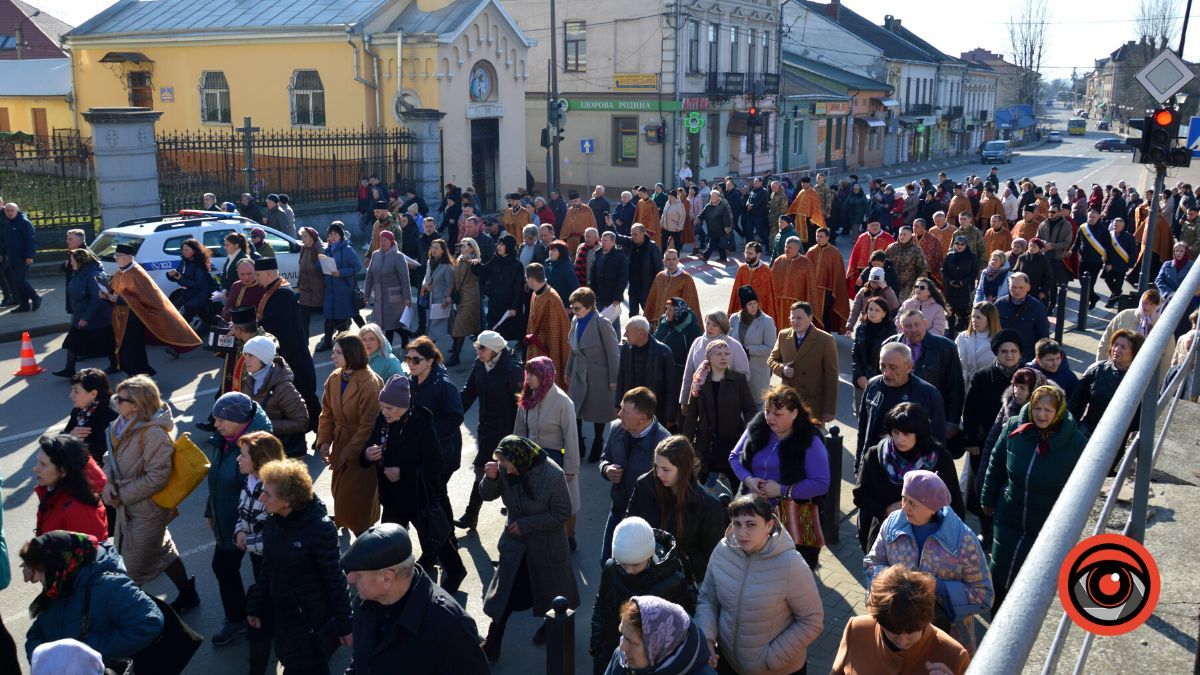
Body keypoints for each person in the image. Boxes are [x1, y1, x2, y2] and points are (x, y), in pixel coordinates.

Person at [864, 471, 993, 653]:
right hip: (894, 632)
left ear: (933, 507)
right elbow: (871, 564)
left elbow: (983, 595)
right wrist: (894, 581)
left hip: (945, 637)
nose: (904, 508)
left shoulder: (963, 539)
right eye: (904, 499)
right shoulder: (892, 523)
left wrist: (937, 586)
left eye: (913, 503)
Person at [982, 385, 1087, 609]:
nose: (1041, 415)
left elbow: (1082, 488)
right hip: (1009, 513)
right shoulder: (1014, 427)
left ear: (1058, 411)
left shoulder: (1076, 443)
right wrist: (987, 498)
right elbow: (996, 464)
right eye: (1038, 408)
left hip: (1045, 523)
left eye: (1048, 410)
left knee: (1028, 582)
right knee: (998, 575)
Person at [694, 495, 823, 675]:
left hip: (776, 670)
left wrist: (770, 659)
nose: (742, 532)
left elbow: (812, 620)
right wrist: (707, 637)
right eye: (737, 524)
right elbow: (708, 599)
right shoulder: (722, 551)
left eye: (751, 524)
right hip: (728, 664)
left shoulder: (791, 564)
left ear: (769, 526)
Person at [479, 436, 580, 662]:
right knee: (505, 594)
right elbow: (486, 495)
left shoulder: (552, 474)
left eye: (508, 466)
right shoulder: (506, 468)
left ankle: (552, 625)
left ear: (521, 459)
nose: (508, 471)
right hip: (515, 547)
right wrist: (491, 477)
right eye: (503, 466)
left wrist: (526, 525)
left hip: (546, 546)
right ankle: (493, 642)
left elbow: (562, 512)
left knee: (551, 592)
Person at [102, 375, 199, 609]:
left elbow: (157, 478)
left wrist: (121, 494)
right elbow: (109, 457)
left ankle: (143, 622)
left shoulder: (154, 434)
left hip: (149, 508)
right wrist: (108, 482)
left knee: (130, 572)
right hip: (129, 506)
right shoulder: (121, 423)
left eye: (121, 398)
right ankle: (188, 593)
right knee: (162, 550)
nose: (116, 400)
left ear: (137, 404)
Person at [363, 374, 467, 592]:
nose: (385, 412)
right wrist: (367, 455)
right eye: (383, 407)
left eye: (390, 408)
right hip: (391, 495)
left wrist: (403, 472)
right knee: (391, 538)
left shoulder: (421, 423)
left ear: (404, 406)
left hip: (418, 494)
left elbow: (435, 464)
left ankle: (456, 570)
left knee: (434, 535)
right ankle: (398, 579)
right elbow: (369, 449)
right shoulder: (382, 421)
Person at [247, 458, 353, 672]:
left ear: (287, 501)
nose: (261, 498)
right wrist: (256, 605)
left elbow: (335, 578)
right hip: (283, 616)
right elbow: (268, 567)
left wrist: (344, 624)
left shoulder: (319, 529)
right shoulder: (273, 523)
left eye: (267, 494)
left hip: (310, 623)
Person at [340, 524, 487, 674]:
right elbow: (361, 660)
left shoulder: (449, 626)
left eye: (358, 574)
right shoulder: (364, 603)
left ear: (387, 579)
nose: (350, 579)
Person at [728, 385, 831, 570]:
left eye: (777, 413)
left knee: (787, 570)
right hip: (751, 509)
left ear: (794, 413)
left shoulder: (809, 440)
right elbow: (734, 457)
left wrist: (783, 490)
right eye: (767, 411)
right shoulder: (758, 426)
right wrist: (748, 480)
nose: (769, 418)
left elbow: (821, 483)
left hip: (792, 517)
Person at [20, 531, 163, 662]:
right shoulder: (59, 585)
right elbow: (36, 633)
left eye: (39, 574)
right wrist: (42, 657)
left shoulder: (108, 586)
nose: (33, 580)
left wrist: (86, 653)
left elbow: (150, 622)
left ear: (57, 566)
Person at [206, 392, 273, 646]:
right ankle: (237, 619)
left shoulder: (259, 447)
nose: (216, 425)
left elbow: (265, 495)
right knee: (223, 567)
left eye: (221, 420)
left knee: (263, 577)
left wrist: (248, 531)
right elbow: (216, 478)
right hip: (230, 523)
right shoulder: (224, 439)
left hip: (255, 527)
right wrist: (210, 511)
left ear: (239, 420)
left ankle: (266, 621)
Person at [854, 402, 965, 553]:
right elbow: (861, 497)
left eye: (906, 434)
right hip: (885, 538)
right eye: (896, 432)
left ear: (919, 434)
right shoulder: (875, 455)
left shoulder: (939, 459)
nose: (899, 439)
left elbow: (954, 504)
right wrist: (886, 509)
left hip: (927, 541)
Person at [590, 517, 693, 675]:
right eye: (624, 563)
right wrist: (597, 648)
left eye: (636, 564)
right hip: (611, 656)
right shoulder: (611, 568)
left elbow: (684, 628)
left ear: (650, 554)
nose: (629, 571)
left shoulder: (673, 582)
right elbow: (601, 607)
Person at [626, 435, 727, 587]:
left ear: (684, 469)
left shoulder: (708, 506)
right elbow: (629, 524)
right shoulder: (644, 486)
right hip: (643, 573)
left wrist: (677, 566)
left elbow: (711, 555)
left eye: (666, 469)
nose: (658, 474)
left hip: (680, 582)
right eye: (656, 467)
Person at [831, 565, 971, 674]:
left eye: (912, 633)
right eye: (893, 632)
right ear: (877, 619)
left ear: (926, 619)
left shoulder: (954, 657)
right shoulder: (857, 629)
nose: (902, 642)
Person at [316, 333, 384, 535]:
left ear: (352, 355)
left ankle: (363, 536)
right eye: (333, 352)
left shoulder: (370, 384)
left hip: (361, 449)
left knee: (355, 495)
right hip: (340, 441)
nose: (332, 356)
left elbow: (367, 427)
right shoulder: (335, 378)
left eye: (338, 353)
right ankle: (344, 520)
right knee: (339, 490)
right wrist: (325, 441)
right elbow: (326, 413)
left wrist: (346, 454)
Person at [458, 331, 524, 530]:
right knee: (483, 469)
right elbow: (468, 393)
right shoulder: (480, 364)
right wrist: (453, 415)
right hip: (486, 429)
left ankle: (515, 520)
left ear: (494, 350)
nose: (478, 351)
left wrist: (519, 435)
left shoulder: (512, 370)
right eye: (477, 347)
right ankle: (472, 516)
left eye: (482, 348)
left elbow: (521, 405)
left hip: (508, 433)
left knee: (506, 473)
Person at [104, 243, 202, 376]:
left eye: (118, 256)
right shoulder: (121, 271)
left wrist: (119, 299)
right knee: (126, 349)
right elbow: (115, 289)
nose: (116, 258)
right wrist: (106, 294)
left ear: (128, 257)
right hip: (122, 318)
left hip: (135, 319)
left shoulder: (137, 273)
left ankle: (139, 376)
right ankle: (138, 374)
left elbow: (143, 298)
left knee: (132, 350)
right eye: (115, 255)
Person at [231, 431, 284, 673]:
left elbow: (276, 536)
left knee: (276, 597)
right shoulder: (250, 480)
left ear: (260, 460)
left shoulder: (276, 490)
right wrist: (239, 531)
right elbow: (243, 512)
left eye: (243, 456)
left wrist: (246, 542)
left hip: (273, 559)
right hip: (256, 554)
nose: (238, 460)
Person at [600, 387, 672, 563]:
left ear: (643, 418)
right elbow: (604, 458)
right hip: (617, 510)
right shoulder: (617, 428)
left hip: (646, 521)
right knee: (607, 563)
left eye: (625, 411)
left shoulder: (663, 444)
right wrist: (606, 469)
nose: (619, 415)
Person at [405, 336, 466, 526]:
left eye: (416, 360)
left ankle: (445, 539)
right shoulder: (411, 381)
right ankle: (445, 538)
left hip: (443, 451)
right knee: (435, 494)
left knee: (435, 495)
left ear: (430, 361)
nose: (411, 364)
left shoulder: (443, 385)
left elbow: (455, 417)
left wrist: (428, 432)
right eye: (408, 359)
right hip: (422, 450)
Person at [682, 339, 758, 489]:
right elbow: (691, 414)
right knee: (702, 488)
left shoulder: (739, 379)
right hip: (707, 444)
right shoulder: (700, 381)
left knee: (737, 488)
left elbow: (749, 408)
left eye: (726, 354)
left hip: (733, 442)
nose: (724, 357)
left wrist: (752, 433)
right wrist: (686, 442)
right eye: (718, 354)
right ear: (709, 357)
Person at [568, 286, 621, 462]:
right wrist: (568, 370)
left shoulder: (602, 323)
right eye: (572, 307)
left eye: (577, 308)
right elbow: (573, 350)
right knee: (575, 410)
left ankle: (598, 441)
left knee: (598, 411)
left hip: (598, 374)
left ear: (589, 306)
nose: (573, 311)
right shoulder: (576, 321)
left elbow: (613, 352)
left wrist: (614, 379)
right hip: (578, 370)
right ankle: (580, 442)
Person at [602, 596, 716, 675]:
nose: (622, 647)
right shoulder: (622, 657)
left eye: (631, 641)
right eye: (622, 634)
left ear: (657, 646)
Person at [769, 301, 839, 426]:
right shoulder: (783, 335)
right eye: (792, 318)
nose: (795, 321)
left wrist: (829, 409)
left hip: (812, 403)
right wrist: (782, 370)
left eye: (799, 318)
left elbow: (832, 376)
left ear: (810, 318)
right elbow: (772, 360)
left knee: (810, 441)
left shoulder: (825, 340)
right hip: (788, 401)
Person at [1071, 328, 1145, 438]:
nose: (1116, 349)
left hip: (1118, 438)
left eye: (1123, 347)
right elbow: (1076, 403)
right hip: (1089, 431)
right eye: (1115, 345)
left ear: (1135, 352)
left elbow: (1140, 419)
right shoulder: (1097, 369)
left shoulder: (1142, 380)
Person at [34, 434, 108, 540]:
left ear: (63, 470)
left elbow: (88, 554)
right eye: (38, 462)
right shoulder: (53, 495)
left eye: (43, 464)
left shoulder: (80, 511)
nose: (36, 469)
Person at [56, 249, 115, 376]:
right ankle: (69, 369)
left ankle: (115, 365)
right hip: (81, 316)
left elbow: (97, 299)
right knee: (72, 344)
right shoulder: (79, 272)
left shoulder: (93, 275)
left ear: (81, 261)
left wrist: (86, 318)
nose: (71, 263)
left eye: (73, 260)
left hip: (98, 319)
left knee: (107, 344)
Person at [1097, 288, 1174, 381]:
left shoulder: (1164, 326)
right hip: (1115, 371)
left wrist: (1160, 382)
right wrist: (1100, 367)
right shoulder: (1124, 315)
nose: (1147, 307)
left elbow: (1167, 357)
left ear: (1158, 306)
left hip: (1144, 377)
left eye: (1152, 304)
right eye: (1145, 303)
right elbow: (1105, 342)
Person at [678, 311, 751, 408]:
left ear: (722, 327)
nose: (709, 327)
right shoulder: (697, 342)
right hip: (699, 401)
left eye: (714, 325)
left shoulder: (734, 345)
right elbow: (688, 373)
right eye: (707, 323)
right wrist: (684, 400)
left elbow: (745, 376)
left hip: (726, 403)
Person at [316, 222, 363, 352]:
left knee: (352, 315)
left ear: (341, 236)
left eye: (335, 234)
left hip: (345, 290)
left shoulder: (347, 249)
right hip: (331, 291)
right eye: (330, 234)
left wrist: (341, 272)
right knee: (329, 317)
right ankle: (327, 342)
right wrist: (320, 261)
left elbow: (357, 267)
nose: (332, 236)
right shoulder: (327, 250)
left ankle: (367, 335)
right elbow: (320, 268)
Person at [474, 233, 528, 342]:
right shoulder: (496, 259)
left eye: (502, 245)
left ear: (508, 246)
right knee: (493, 332)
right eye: (498, 244)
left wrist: (514, 307)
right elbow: (483, 271)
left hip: (508, 306)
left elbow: (518, 289)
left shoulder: (517, 265)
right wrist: (475, 264)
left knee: (508, 334)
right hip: (495, 303)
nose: (498, 247)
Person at [524, 262, 572, 384]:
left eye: (526, 278)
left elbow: (555, 335)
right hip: (536, 347)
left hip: (547, 351)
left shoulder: (551, 298)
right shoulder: (535, 293)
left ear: (531, 279)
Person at [364, 229, 413, 345]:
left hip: (394, 298)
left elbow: (405, 280)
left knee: (389, 325)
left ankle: (387, 350)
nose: (383, 242)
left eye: (385, 240)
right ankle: (404, 335)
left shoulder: (398, 257)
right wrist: (366, 295)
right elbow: (369, 276)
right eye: (381, 240)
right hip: (379, 296)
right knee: (387, 324)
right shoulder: (375, 255)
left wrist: (407, 298)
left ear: (391, 241)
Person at [728, 286, 777, 399]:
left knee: (757, 407)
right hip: (738, 372)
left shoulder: (767, 321)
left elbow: (771, 347)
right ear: (744, 306)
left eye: (755, 302)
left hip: (758, 373)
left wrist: (749, 349)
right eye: (750, 304)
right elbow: (729, 341)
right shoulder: (734, 319)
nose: (754, 306)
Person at [851, 297, 898, 414]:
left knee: (878, 414)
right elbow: (855, 354)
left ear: (884, 313)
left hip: (881, 379)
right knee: (860, 412)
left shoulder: (891, 331)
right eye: (870, 309)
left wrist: (878, 378)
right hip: (861, 379)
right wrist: (859, 376)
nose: (872, 312)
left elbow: (891, 358)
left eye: (877, 310)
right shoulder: (861, 328)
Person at [64, 368, 118, 468]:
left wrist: (73, 443)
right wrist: (70, 437)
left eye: (76, 391)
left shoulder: (110, 416)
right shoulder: (78, 412)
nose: (70, 396)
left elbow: (104, 455)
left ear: (93, 394)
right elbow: (63, 437)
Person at [994, 273, 1050, 361]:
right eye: (1014, 287)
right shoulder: (999, 304)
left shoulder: (1037, 307)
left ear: (1028, 288)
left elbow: (1043, 335)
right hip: (1004, 356)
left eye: (1021, 288)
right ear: (1009, 286)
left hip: (1027, 357)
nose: (1017, 291)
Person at [644, 248, 703, 330]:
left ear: (678, 261)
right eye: (668, 259)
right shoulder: (660, 276)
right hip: (658, 321)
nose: (671, 261)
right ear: (664, 261)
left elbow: (691, 302)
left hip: (676, 323)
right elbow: (652, 299)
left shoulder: (686, 278)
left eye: (674, 259)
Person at [447, 237, 483, 366]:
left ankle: (456, 357)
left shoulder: (473, 261)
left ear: (472, 247)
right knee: (473, 326)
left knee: (459, 326)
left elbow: (476, 265)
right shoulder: (459, 259)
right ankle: (486, 349)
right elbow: (454, 279)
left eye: (465, 245)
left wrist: (471, 259)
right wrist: (449, 295)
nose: (461, 247)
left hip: (470, 296)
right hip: (461, 296)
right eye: (461, 245)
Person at [167, 238, 217, 329]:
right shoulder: (184, 261)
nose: (184, 252)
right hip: (190, 296)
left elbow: (199, 284)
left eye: (187, 250)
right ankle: (217, 331)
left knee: (184, 322)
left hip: (199, 296)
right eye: (183, 249)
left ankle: (181, 340)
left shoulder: (199, 264)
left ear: (194, 251)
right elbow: (179, 276)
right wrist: (171, 275)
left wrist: (181, 279)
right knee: (208, 319)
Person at [807, 228, 851, 332]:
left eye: (821, 236)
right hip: (813, 289)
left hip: (827, 290)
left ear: (827, 237)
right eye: (817, 236)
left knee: (825, 313)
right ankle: (812, 334)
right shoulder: (811, 251)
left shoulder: (834, 253)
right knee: (811, 312)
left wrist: (834, 290)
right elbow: (806, 269)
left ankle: (826, 335)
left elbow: (838, 274)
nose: (818, 239)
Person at [1, 202, 40, 312]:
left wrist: (29, 256)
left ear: (17, 210)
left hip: (23, 257)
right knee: (16, 281)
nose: (9, 213)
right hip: (12, 258)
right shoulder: (9, 223)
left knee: (19, 280)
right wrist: (4, 254)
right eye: (7, 211)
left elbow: (31, 240)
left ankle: (36, 297)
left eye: (12, 210)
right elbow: (6, 241)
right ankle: (24, 305)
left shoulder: (24, 222)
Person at [770, 237, 814, 328]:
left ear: (797, 248)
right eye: (786, 247)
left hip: (796, 303)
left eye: (790, 247)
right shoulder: (778, 261)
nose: (786, 249)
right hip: (778, 302)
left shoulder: (806, 263)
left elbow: (811, 286)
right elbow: (771, 281)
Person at [941, 236, 979, 335]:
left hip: (964, 289)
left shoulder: (971, 257)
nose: (959, 246)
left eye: (962, 244)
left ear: (966, 245)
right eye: (957, 243)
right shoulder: (950, 256)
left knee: (964, 313)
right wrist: (949, 281)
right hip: (950, 289)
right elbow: (943, 270)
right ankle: (951, 333)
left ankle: (968, 333)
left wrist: (963, 282)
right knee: (950, 312)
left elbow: (974, 272)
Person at [955, 301, 1000, 385]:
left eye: (978, 317)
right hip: (962, 386)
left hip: (987, 386)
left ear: (990, 319)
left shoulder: (999, 340)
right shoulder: (962, 337)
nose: (974, 320)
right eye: (973, 317)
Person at [846, 267, 901, 333]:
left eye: (877, 282)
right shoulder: (863, 292)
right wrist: (849, 327)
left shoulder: (887, 291)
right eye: (873, 282)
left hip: (883, 326)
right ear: (869, 281)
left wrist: (886, 289)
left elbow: (895, 306)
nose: (875, 285)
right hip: (866, 324)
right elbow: (855, 311)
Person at [886, 226, 927, 300]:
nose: (902, 236)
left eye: (904, 234)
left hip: (908, 286)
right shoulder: (891, 248)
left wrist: (919, 285)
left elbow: (922, 269)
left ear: (911, 235)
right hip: (890, 284)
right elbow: (884, 263)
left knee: (904, 308)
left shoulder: (916, 250)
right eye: (900, 234)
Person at [1102, 217, 1136, 306]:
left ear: (1122, 226)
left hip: (1121, 264)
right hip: (1110, 263)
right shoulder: (1110, 235)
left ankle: (1111, 301)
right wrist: (1106, 263)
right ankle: (1117, 294)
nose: (1115, 227)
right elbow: (1105, 249)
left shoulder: (1129, 237)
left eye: (1117, 226)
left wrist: (1130, 264)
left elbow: (1133, 252)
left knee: (1118, 283)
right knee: (1107, 279)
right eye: (1114, 225)